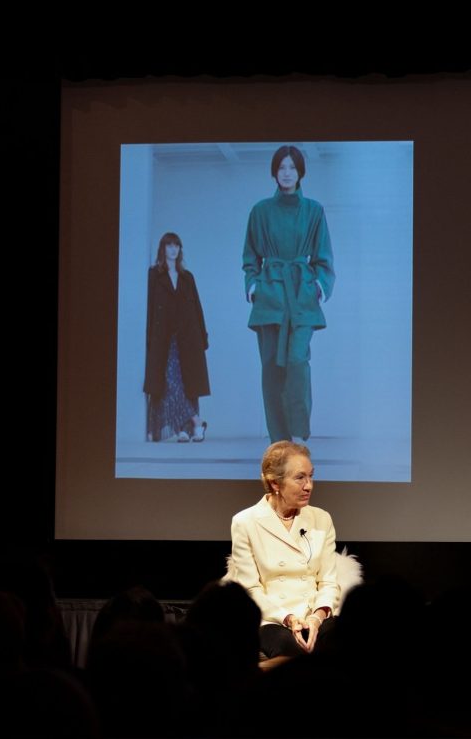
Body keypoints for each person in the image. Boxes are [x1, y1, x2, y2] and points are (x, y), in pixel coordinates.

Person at [242, 145, 335, 443]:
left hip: (301, 295)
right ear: (274, 172)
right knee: (271, 368)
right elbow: (250, 257)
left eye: (292, 167)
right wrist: (253, 285)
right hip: (270, 296)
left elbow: (324, 258)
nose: (286, 173)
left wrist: (319, 286)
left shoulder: (314, 211)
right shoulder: (260, 211)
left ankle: (298, 435)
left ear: (300, 172)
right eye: (281, 167)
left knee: (297, 362)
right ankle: (278, 440)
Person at [226, 440, 339, 659]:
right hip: (273, 619)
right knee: (294, 652)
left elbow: (328, 582)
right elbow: (250, 589)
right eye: (299, 478)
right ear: (275, 483)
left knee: (347, 645)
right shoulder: (245, 522)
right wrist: (288, 618)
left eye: (311, 476)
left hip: (314, 615)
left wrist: (316, 618)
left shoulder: (321, 519)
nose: (309, 486)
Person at [144, 232, 210, 442]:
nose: (173, 249)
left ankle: (183, 428)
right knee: (170, 381)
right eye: (169, 245)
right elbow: (149, 307)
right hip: (163, 337)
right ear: (162, 249)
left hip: (187, 338)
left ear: (180, 250)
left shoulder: (187, 277)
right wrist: (147, 337)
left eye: (176, 245)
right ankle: (197, 422)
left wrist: (203, 336)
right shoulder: (154, 275)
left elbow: (197, 308)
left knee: (185, 381)